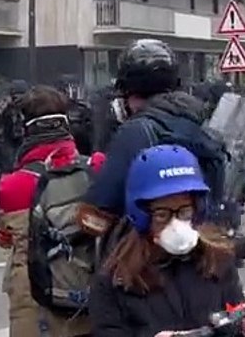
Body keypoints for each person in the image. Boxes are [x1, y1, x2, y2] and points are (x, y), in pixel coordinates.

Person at [89, 145, 245, 337]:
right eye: (162, 214)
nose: (175, 224)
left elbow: (234, 319)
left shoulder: (217, 261)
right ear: (142, 216)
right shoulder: (116, 280)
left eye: (184, 212)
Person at [79, 39, 221, 237]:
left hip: (150, 250)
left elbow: (103, 203)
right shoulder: (200, 121)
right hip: (203, 242)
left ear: (126, 90)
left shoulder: (135, 131)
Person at [0, 85, 88, 337]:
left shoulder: (10, 185)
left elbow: (4, 239)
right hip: (87, 293)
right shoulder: (96, 168)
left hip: (33, 296)